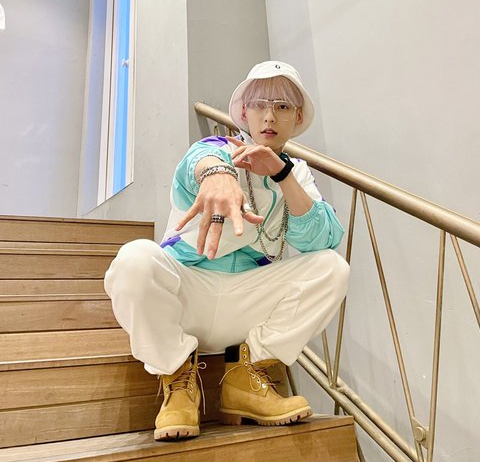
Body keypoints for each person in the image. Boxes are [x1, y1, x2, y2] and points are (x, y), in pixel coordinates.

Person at [104, 61, 349, 441]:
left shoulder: (297, 173)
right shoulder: (214, 149)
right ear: (244, 113)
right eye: (260, 104)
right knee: (135, 258)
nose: (270, 116)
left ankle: (245, 378)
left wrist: (282, 174)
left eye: (283, 106)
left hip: (247, 305)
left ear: (298, 116)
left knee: (332, 267)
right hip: (188, 295)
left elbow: (323, 238)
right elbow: (199, 163)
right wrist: (216, 175)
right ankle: (177, 379)